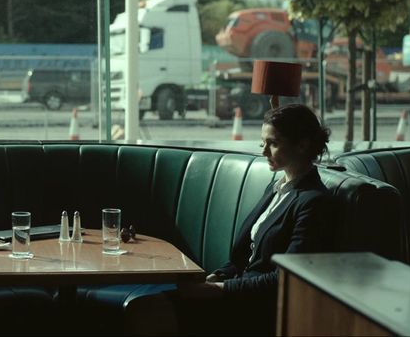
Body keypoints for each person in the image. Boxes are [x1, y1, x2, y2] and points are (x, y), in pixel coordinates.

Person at [127, 103, 333, 336]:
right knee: (146, 305)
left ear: (302, 145)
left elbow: (287, 280)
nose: (264, 151)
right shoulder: (277, 188)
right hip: (237, 291)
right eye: (262, 142)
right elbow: (244, 256)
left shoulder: (314, 202)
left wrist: (218, 288)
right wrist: (219, 275)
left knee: (147, 309)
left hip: (258, 306)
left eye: (273, 143)